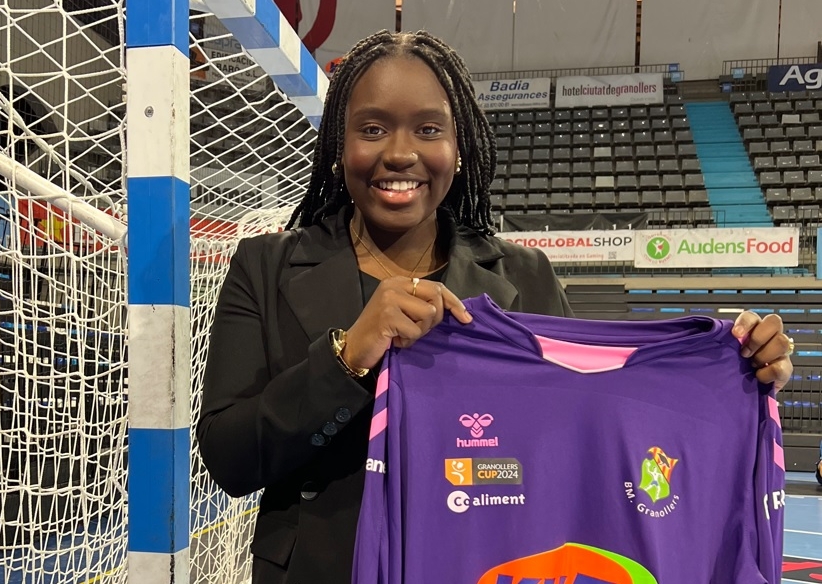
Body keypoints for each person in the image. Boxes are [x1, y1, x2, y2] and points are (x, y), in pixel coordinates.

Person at [196, 30, 794, 584]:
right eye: (372, 129)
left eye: (428, 129)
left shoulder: (525, 276)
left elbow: (587, 427)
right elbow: (229, 459)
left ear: (459, 149)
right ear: (338, 144)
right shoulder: (265, 267)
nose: (400, 153)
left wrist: (738, 369)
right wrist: (348, 356)